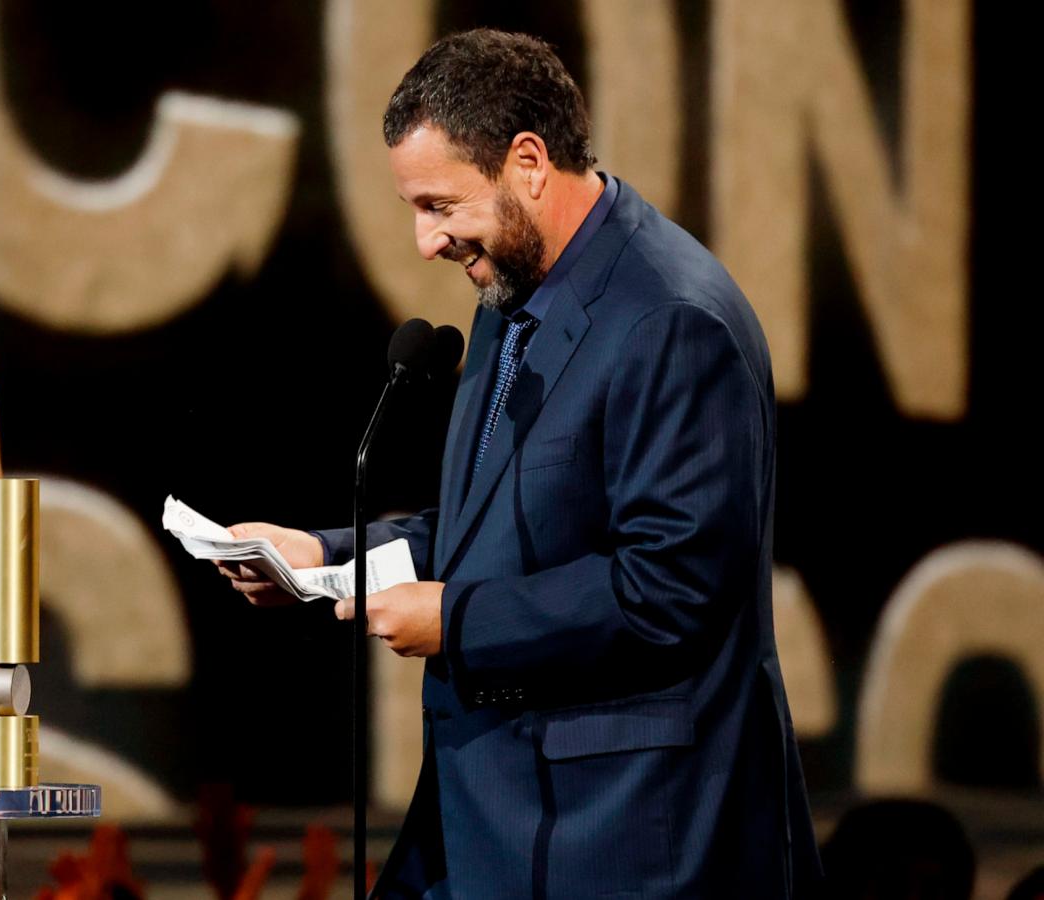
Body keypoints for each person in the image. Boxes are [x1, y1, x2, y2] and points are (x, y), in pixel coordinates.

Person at [218, 30, 822, 897]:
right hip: (494, 823)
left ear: (528, 163)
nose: (426, 241)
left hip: (625, 840)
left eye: (439, 204)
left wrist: (457, 622)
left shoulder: (672, 320)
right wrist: (325, 559)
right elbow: (483, 536)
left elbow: (669, 590)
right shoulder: (514, 290)